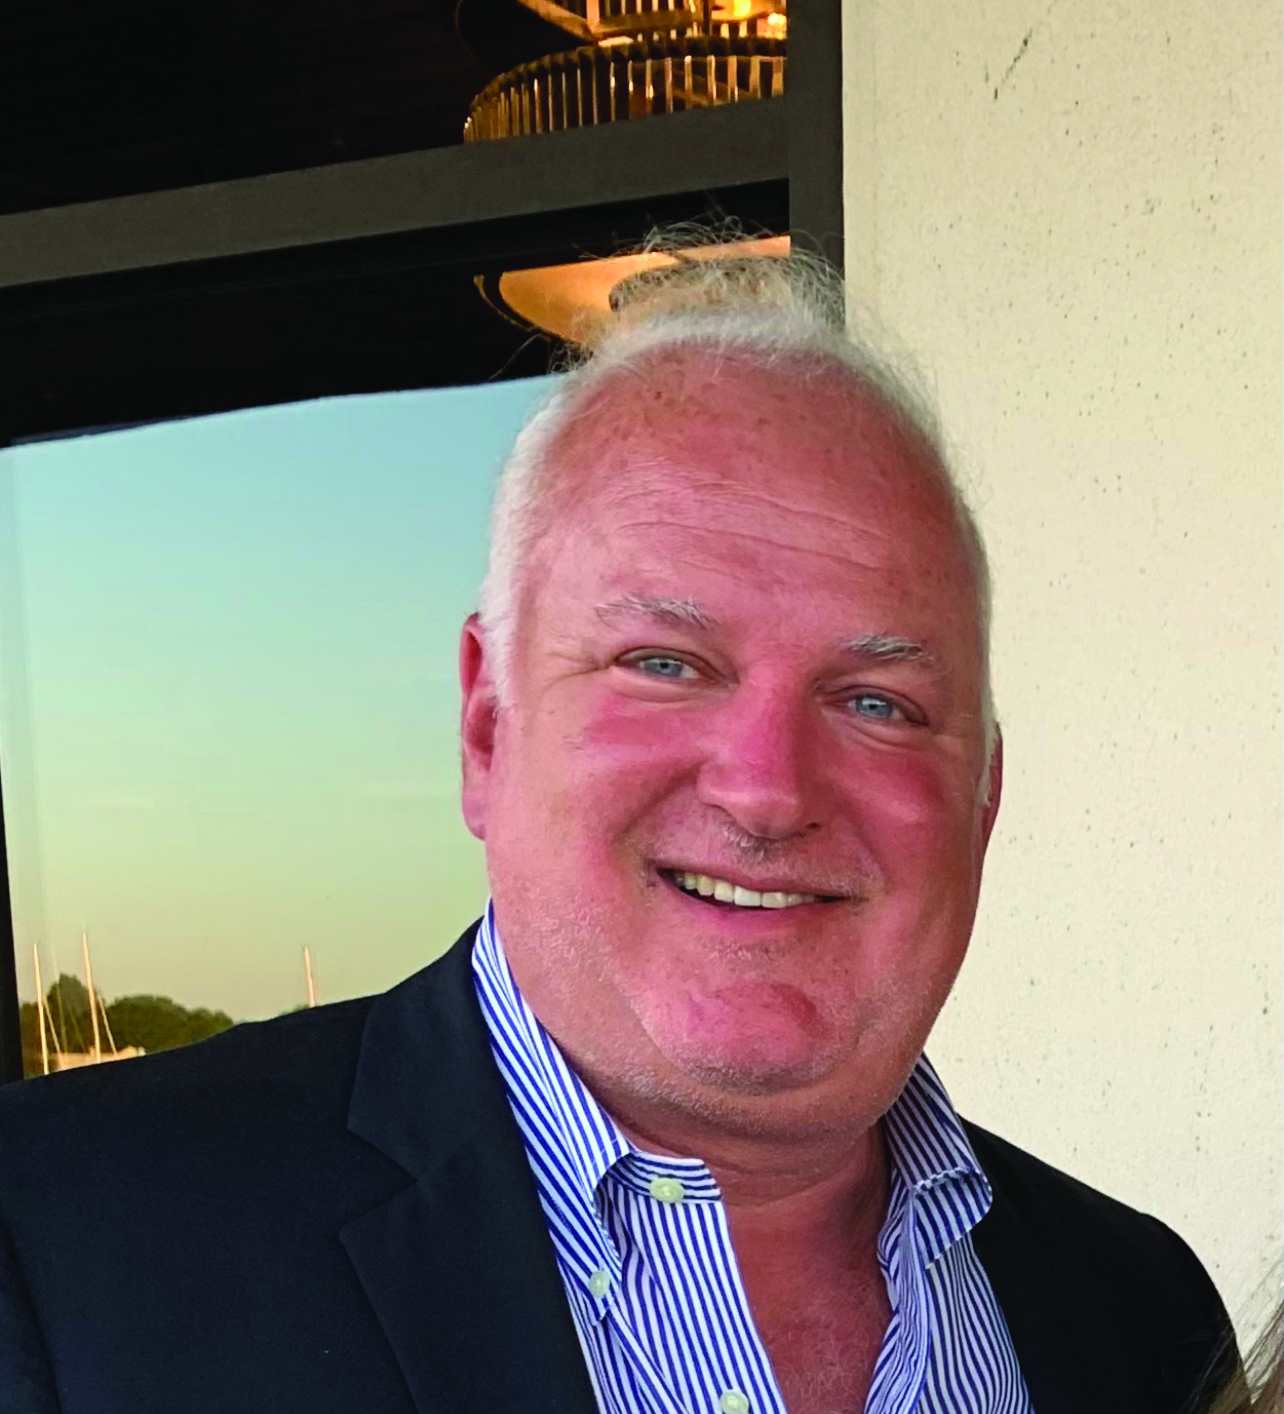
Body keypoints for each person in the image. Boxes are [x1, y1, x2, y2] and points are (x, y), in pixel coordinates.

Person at [0, 245, 1237, 1414]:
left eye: (877, 701)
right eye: (664, 662)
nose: (766, 789)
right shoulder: (58, 1251)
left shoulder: (1142, 1315)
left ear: (984, 799)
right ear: (488, 725)